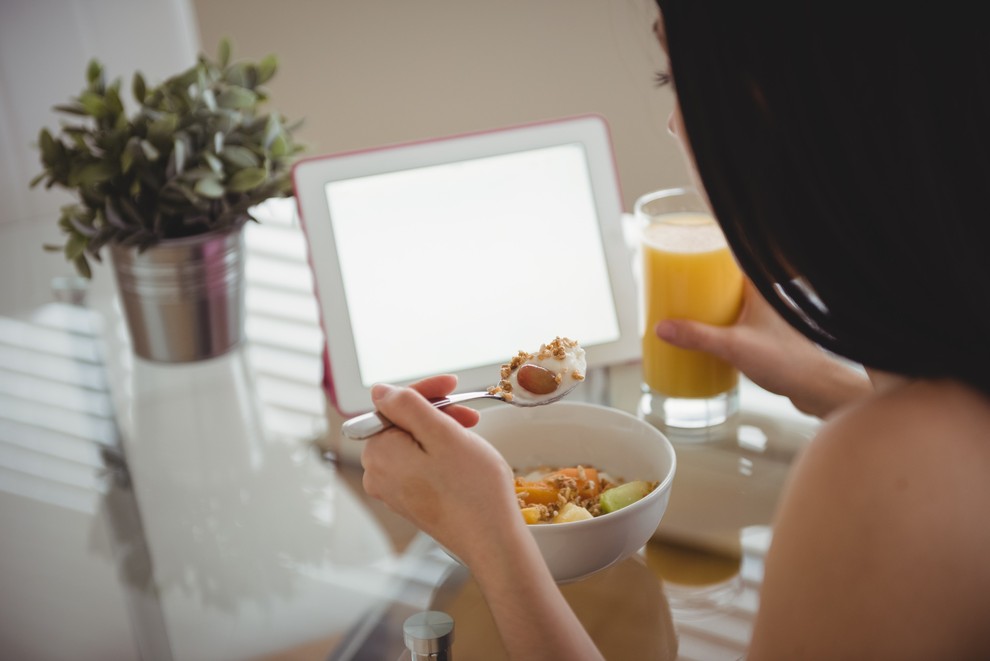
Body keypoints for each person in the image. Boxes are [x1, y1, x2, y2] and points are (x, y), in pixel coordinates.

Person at [361, 2, 990, 657]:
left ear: (777, 104)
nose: (670, 120)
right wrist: (836, 388)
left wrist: (492, 538)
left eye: (675, 78)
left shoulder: (884, 477)